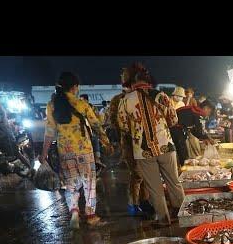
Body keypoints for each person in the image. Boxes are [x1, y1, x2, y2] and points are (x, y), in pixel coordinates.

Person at [40, 72, 112, 229]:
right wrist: (106, 142)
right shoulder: (81, 104)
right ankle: (91, 215)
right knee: (89, 183)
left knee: (71, 185)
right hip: (84, 151)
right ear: (74, 87)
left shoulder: (51, 106)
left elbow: (49, 132)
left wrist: (43, 153)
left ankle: (74, 212)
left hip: (65, 152)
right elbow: (96, 125)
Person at [117, 63, 184, 228]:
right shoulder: (161, 96)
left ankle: (163, 219)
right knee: (174, 182)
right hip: (166, 146)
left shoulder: (125, 101)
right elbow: (174, 120)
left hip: (143, 151)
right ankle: (183, 215)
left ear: (131, 82)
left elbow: (123, 126)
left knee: (154, 188)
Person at [108, 67, 149, 216]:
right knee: (137, 174)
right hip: (131, 144)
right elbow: (115, 123)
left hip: (145, 144)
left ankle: (145, 202)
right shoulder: (119, 100)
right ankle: (135, 203)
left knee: (144, 174)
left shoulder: (142, 95)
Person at [173, 99, 216, 165]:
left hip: (179, 130)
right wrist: (208, 138)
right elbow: (199, 130)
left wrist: (204, 138)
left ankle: (182, 166)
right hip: (177, 130)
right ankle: (183, 169)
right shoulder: (199, 112)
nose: (208, 115)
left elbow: (194, 129)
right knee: (182, 153)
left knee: (182, 153)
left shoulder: (194, 110)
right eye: (210, 112)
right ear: (206, 108)